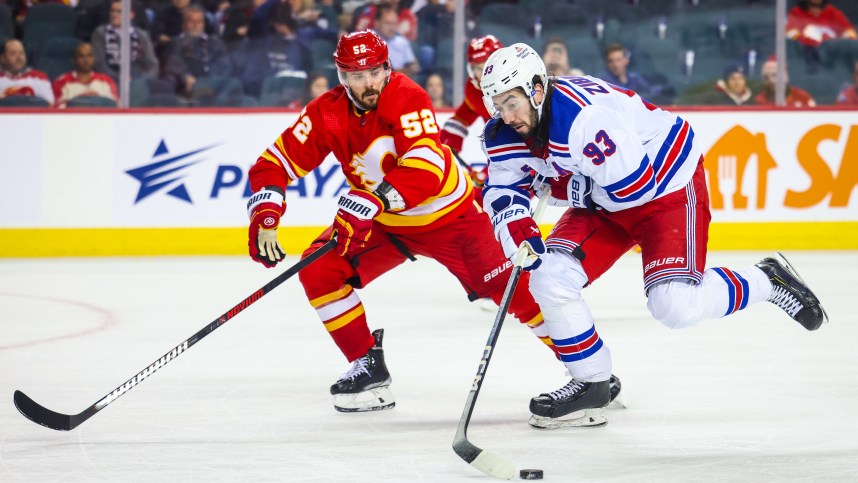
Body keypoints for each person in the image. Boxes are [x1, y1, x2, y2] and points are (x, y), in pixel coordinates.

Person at [478, 43, 828, 429]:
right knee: (548, 275)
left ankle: (766, 279)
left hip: (666, 187)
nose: (506, 115)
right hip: (604, 196)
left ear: (537, 89)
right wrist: (519, 235)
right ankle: (592, 383)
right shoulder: (503, 131)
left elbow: (634, 189)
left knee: (674, 306)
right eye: (498, 104)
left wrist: (563, 188)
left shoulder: (583, 120)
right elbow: (502, 190)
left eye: (512, 102)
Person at [245, 31, 562, 413]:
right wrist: (266, 214)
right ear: (341, 76)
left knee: (519, 293)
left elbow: (425, 167)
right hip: (386, 223)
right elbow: (272, 163)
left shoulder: (407, 96)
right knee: (319, 269)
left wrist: (372, 201)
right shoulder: (326, 112)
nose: (367, 84)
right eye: (356, 76)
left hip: (452, 217)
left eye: (374, 72)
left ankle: (586, 372)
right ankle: (367, 366)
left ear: (387, 67)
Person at [439, 34, 502, 196]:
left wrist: (491, 173)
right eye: (475, 68)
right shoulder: (474, 89)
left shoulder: (515, 89)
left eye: (484, 68)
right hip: (501, 156)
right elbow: (465, 113)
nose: (479, 74)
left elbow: (519, 143)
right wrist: (450, 137)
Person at [162, 5, 233, 96]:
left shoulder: (215, 43)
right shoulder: (176, 42)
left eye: (199, 22)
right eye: (192, 21)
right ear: (184, 24)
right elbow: (173, 64)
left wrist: (211, 81)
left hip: (213, 85)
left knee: (234, 83)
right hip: (186, 85)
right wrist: (185, 77)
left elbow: (224, 66)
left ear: (203, 24)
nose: (196, 25)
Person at [91, 0, 160, 80]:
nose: (114, 14)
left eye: (119, 11)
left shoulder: (141, 35)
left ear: (131, 15)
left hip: (138, 79)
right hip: (111, 79)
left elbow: (152, 65)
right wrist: (119, 78)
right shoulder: (100, 33)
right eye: (112, 11)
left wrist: (142, 80)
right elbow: (99, 64)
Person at [52, 42, 119, 108]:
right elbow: (55, 110)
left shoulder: (107, 81)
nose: (86, 60)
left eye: (89, 56)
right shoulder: (61, 82)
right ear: (73, 60)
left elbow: (116, 107)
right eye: (81, 56)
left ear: (94, 58)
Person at [0, 39, 53, 104]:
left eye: (21, 53)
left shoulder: (39, 77)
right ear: (2, 58)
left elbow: (49, 106)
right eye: (13, 53)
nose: (18, 57)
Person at [787, 0, 857, 48]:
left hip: (831, 61)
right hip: (804, 58)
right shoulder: (796, 13)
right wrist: (813, 43)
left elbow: (850, 34)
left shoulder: (833, 12)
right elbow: (791, 34)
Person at [373, 4, 418, 77]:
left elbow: (413, 64)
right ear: (377, 23)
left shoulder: (402, 41)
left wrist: (411, 68)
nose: (392, 28)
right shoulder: (368, 40)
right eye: (388, 23)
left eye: (394, 24)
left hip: (401, 79)